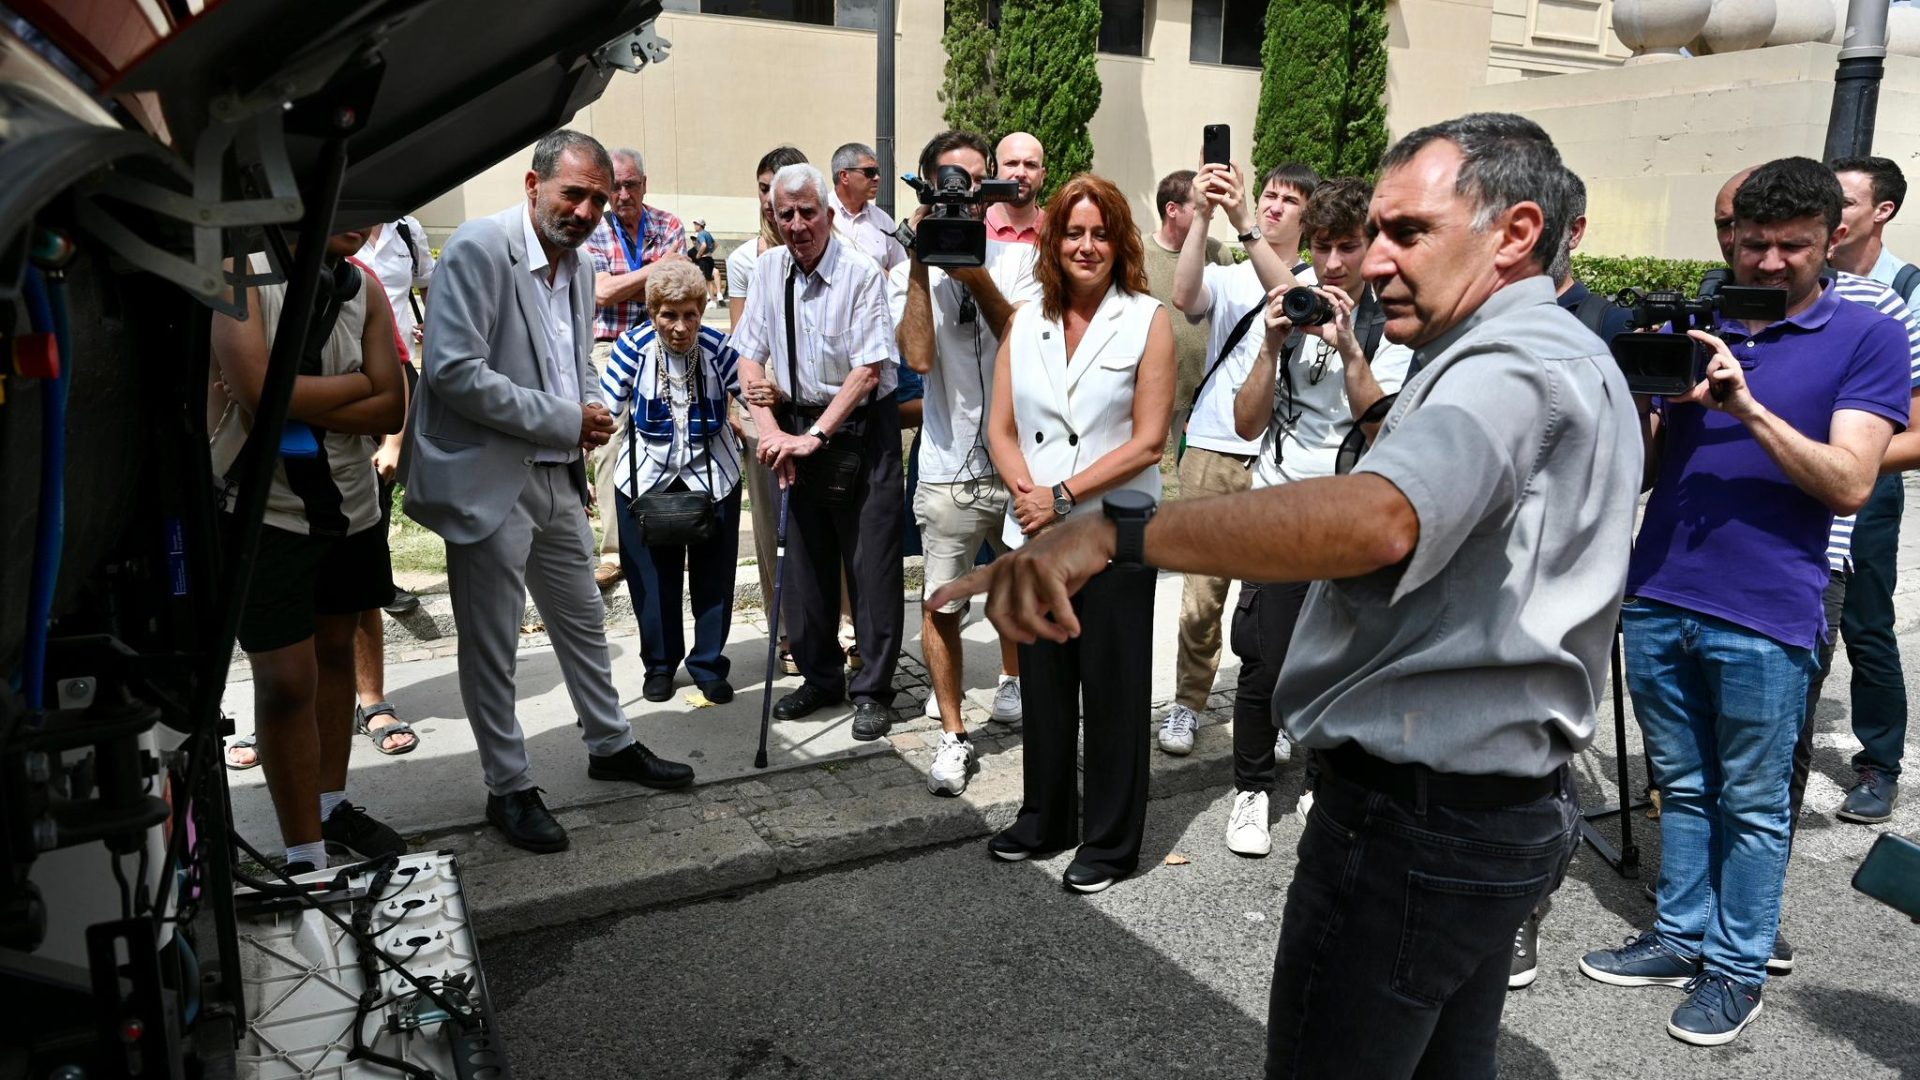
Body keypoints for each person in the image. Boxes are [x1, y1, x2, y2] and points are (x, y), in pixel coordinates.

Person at [935, 112, 1638, 1075]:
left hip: (1418, 824)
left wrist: (1113, 534)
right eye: (1373, 233)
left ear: (1515, 233)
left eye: (1408, 232)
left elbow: (1382, 516)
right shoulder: (1544, 352)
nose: (1376, 261)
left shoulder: (1511, 363)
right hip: (1482, 812)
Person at [1579, 157, 1908, 1047]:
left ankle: (1735, 969)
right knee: (1680, 787)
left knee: (1754, 806)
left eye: (1788, 247)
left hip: (1767, 606)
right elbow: (1648, 472)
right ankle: (1678, 937)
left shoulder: (1866, 336)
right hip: (1658, 591)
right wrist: (1644, 402)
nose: (1764, 263)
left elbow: (1848, 482)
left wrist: (1746, 404)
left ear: (1830, 237)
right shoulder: (1704, 315)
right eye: (1749, 244)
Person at [404, 129, 694, 855]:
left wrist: (589, 418)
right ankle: (508, 786)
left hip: (556, 476)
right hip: (487, 480)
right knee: (492, 645)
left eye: (599, 197)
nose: (590, 209)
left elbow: (576, 364)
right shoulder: (476, 248)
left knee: (584, 624)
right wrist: (567, 418)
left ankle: (610, 743)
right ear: (533, 186)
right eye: (575, 194)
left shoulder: (578, 260)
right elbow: (452, 371)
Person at [976, 173, 1173, 893]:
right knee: (1048, 687)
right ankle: (1046, 818)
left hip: (1115, 534)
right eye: (1073, 232)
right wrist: (1028, 494)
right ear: (1053, 242)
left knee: (1115, 694)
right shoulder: (1024, 320)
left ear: (1120, 243)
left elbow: (1150, 442)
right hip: (1034, 531)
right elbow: (999, 427)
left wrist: (1061, 494)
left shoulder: (1147, 318)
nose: (1086, 246)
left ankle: (1112, 843)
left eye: (1100, 233)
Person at [1222, 177, 1413, 859]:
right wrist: (1273, 347)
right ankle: (1249, 788)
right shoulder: (1287, 304)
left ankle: (1317, 777)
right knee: (1265, 665)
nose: (1332, 264)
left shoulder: (1389, 320)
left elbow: (1385, 428)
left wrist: (1352, 350)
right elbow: (1246, 424)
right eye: (1323, 247)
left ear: (1369, 248)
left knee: (1337, 666)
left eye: (1347, 247)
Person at [210, 226, 411, 872]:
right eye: (346, 197)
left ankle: (329, 809)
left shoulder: (365, 286)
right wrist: (355, 385)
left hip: (351, 511)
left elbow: (391, 408)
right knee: (286, 679)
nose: (362, 221)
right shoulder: (241, 272)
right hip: (265, 514)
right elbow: (258, 396)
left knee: (333, 654)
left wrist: (304, 395)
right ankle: (304, 854)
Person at [731, 163, 905, 739]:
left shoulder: (859, 272)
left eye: (809, 212)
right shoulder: (768, 270)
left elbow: (868, 372)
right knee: (802, 563)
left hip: (859, 428)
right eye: (787, 214)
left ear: (828, 213)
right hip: (798, 424)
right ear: (773, 217)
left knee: (869, 564)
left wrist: (814, 437)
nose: (799, 224)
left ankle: (875, 688)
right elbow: (748, 359)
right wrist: (772, 429)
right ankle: (820, 677)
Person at [892, 129, 1040, 795]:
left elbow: (1021, 338)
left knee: (1024, 595)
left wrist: (972, 269)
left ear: (989, 191)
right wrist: (925, 259)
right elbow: (919, 358)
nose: (962, 196)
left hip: (1017, 469)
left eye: (973, 183)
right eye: (950, 182)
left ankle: (1020, 691)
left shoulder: (1021, 261)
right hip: (948, 467)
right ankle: (953, 736)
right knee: (942, 606)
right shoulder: (905, 269)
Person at [1160, 158, 1317, 759]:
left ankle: (1272, 711)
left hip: (1281, 458)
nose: (1274, 207)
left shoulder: (1312, 282)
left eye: (1288, 201)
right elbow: (1182, 295)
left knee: (1275, 600)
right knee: (1202, 592)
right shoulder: (1227, 276)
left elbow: (1293, 299)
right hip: (1212, 448)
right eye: (1268, 196)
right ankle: (1188, 703)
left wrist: (1245, 220)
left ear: (1306, 216)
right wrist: (1202, 214)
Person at [603, 260, 743, 705]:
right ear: (652, 312)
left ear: (702, 311)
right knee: (651, 579)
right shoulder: (632, 347)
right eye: (669, 314)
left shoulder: (721, 348)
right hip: (644, 481)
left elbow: (752, 394)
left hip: (715, 479)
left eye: (690, 314)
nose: (680, 327)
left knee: (714, 578)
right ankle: (660, 666)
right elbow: (605, 411)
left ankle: (707, 664)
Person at [1823, 155, 1914, 823]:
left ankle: (1879, 763)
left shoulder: (1904, 293)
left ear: (1881, 211)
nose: (1828, 214)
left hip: (1871, 482)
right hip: (1798, 474)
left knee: (1865, 625)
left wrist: (1849, 464)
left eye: (1843, 203)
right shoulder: (1798, 287)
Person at [585, 147, 689, 591]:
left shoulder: (669, 224)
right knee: (609, 442)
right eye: (615, 186)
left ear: (644, 184)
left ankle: (664, 529)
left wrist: (643, 278)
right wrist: (656, 269)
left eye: (630, 184)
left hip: (663, 344)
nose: (622, 194)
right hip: (610, 347)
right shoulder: (594, 229)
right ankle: (613, 551)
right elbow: (602, 293)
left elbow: (674, 290)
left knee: (670, 438)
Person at [352, 217, 436, 756]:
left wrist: (393, 439)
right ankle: (289, 705)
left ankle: (369, 698)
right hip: (293, 455)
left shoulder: (390, 256)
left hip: (380, 415)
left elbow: (399, 368)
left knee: (363, 559)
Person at [728, 145, 811, 677]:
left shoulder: (832, 247)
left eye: (778, 188)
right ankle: (784, 630)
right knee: (770, 530)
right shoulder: (743, 260)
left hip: (817, 408)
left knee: (822, 528)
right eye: (763, 188)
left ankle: (834, 625)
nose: (770, 200)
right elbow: (745, 348)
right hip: (764, 412)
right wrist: (755, 415)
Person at [1142, 169, 1234, 460]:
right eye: (1199, 207)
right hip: (1154, 388)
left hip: (1205, 390)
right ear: (1172, 209)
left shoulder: (1218, 254)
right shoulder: (1137, 253)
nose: (1209, 214)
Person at [828, 141, 907, 271]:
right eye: (869, 172)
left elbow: (900, 275)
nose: (877, 178)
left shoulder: (884, 222)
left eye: (877, 171)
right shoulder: (818, 214)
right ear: (844, 176)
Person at [986, 131, 1046, 245]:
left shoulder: (1056, 231)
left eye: (1030, 165)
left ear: (1042, 176)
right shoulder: (976, 226)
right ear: (994, 171)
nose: (1020, 173)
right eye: (1011, 163)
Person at [689, 219, 718, 302]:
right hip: (709, 258)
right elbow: (715, 244)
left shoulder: (701, 234)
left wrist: (699, 254)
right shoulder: (707, 233)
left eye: (695, 224)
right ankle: (711, 300)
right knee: (709, 280)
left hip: (704, 260)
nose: (694, 226)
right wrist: (710, 252)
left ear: (700, 225)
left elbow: (704, 245)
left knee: (706, 280)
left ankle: (711, 300)